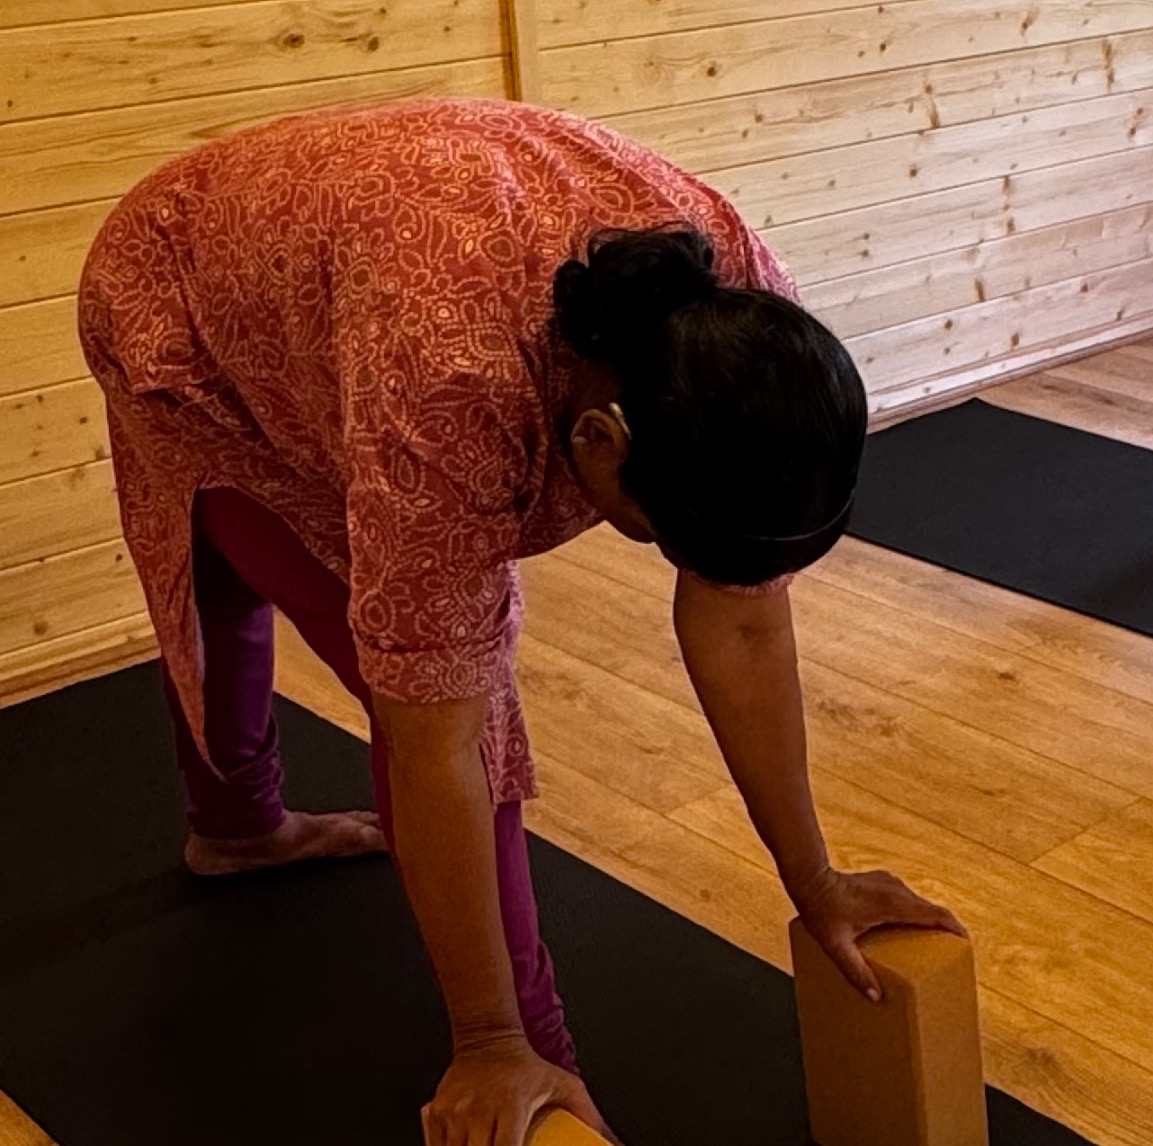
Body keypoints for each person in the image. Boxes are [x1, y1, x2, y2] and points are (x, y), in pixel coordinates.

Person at [78, 98, 962, 1145]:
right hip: (175, 290)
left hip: (356, 246)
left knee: (274, 570)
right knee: (309, 594)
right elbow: (438, 741)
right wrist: (495, 1042)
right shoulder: (449, 394)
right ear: (599, 442)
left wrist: (814, 877)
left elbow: (745, 619)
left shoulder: (744, 319)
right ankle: (262, 845)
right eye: (668, 540)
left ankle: (234, 825)